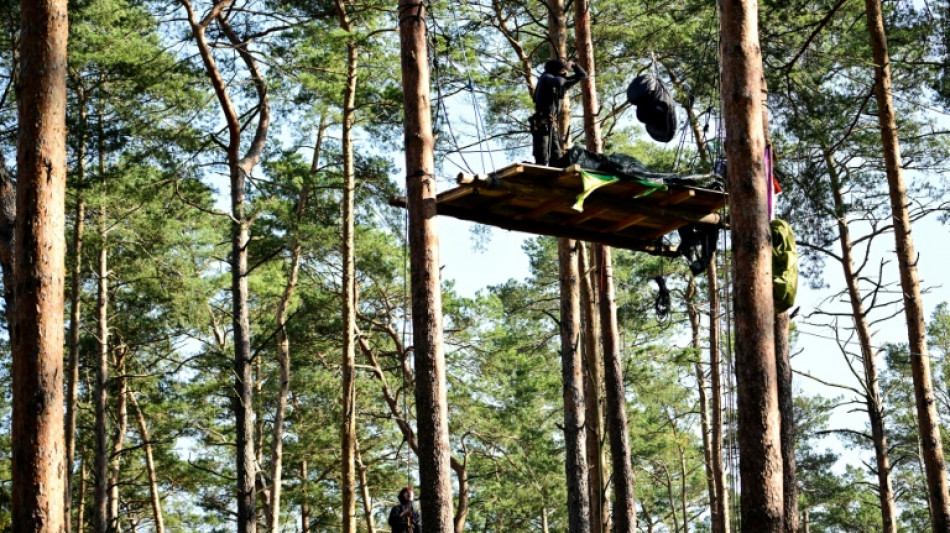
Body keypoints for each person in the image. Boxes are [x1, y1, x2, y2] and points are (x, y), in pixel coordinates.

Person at [531, 58, 588, 166]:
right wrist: (564, 72)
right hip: (541, 122)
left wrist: (573, 65)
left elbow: (582, 75)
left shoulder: (561, 82)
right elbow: (557, 81)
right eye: (561, 70)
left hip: (552, 123)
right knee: (542, 155)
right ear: (555, 70)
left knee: (556, 155)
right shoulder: (545, 77)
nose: (564, 72)